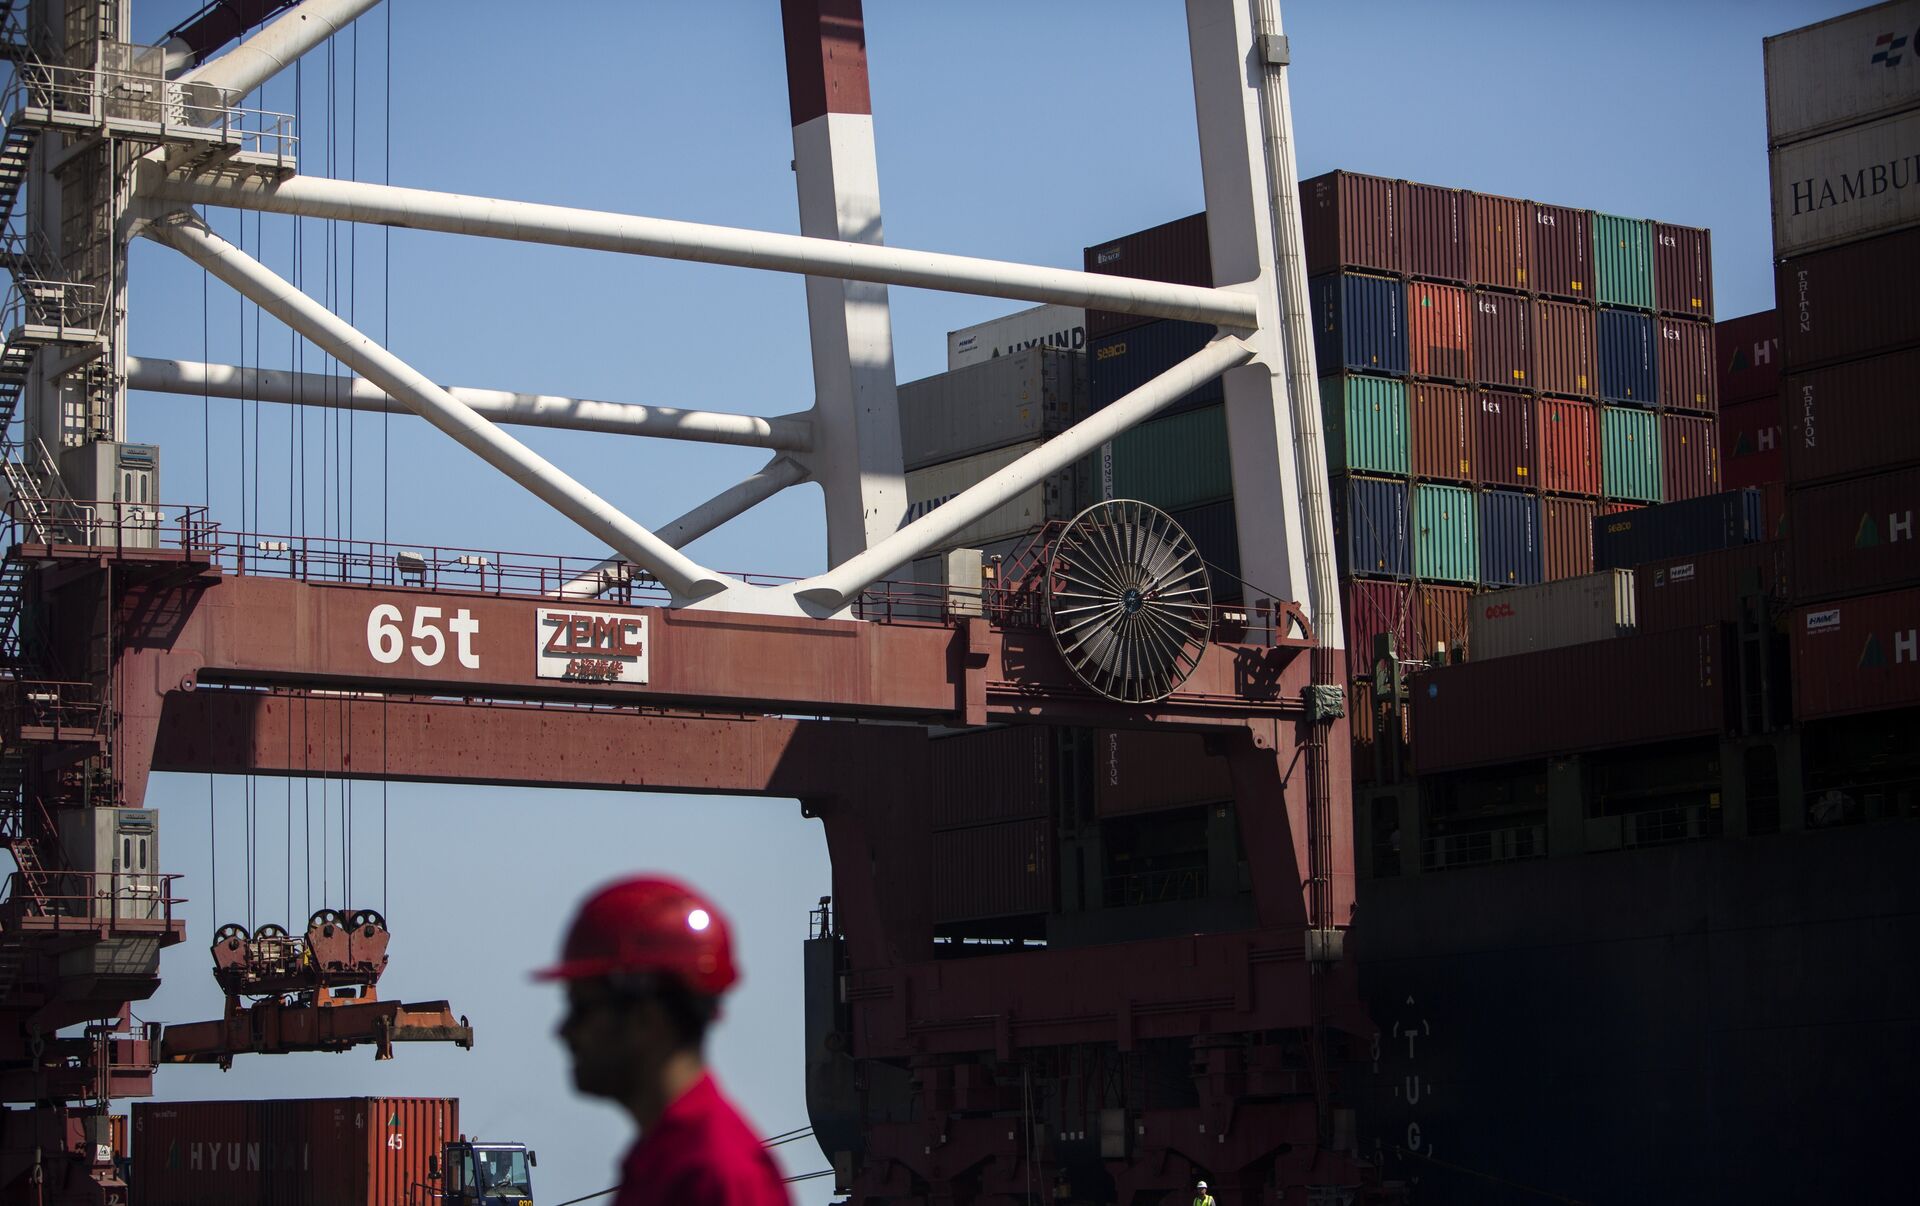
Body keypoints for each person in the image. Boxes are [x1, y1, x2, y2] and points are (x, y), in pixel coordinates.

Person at [538, 875, 791, 1206]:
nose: (563, 1031)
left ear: (648, 1019)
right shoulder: (659, 1161)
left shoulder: (715, 1175)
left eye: (581, 1009)